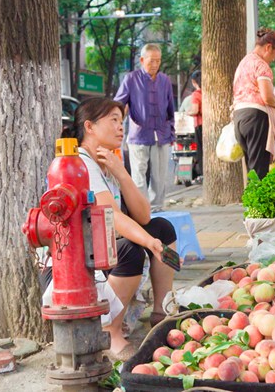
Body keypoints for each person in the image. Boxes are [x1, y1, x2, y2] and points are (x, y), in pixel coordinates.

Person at [71, 97, 177, 361]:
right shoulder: (82, 162)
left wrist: (121, 172)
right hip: (80, 256)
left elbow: (143, 214)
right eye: (113, 121)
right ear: (90, 127)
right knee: (130, 249)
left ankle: (160, 312)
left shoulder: (108, 162)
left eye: (122, 121)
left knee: (162, 227)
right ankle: (112, 333)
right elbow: (112, 217)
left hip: (101, 243)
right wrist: (149, 243)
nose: (121, 128)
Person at [114, 43, 175, 211]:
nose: (155, 65)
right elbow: (118, 103)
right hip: (139, 134)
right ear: (142, 60)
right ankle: (142, 209)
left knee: (159, 175)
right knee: (139, 176)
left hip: (161, 134)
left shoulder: (165, 80)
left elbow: (171, 108)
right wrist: (115, 121)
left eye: (158, 61)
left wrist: (172, 132)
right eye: (151, 61)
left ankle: (156, 207)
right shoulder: (131, 79)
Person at [232, 28, 275, 178]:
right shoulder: (261, 65)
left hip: (239, 117)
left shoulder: (243, 63)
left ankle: (252, 199)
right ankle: (257, 200)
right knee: (259, 170)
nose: (274, 59)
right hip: (255, 118)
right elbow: (267, 96)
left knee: (251, 167)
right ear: (268, 47)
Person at [187, 70, 203, 179]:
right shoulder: (208, 92)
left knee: (201, 151)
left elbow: (195, 110)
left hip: (200, 125)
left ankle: (203, 172)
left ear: (194, 82)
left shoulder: (196, 94)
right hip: (208, 125)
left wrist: (187, 112)